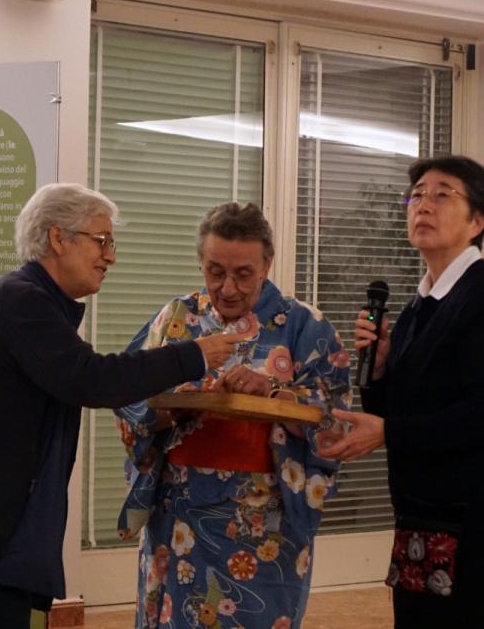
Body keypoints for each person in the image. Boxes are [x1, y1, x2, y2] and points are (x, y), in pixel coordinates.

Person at [0, 183, 242, 629]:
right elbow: (90, 379)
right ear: (57, 238)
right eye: (101, 240)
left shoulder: (37, 302)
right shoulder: (21, 300)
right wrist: (193, 355)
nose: (110, 256)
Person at [318, 156, 484, 628]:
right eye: (417, 195)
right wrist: (383, 368)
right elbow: (401, 409)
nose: (423, 205)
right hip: (428, 510)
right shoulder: (422, 304)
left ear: (477, 221)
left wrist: (389, 432)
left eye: (443, 195)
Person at [114, 202, 352, 629]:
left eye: (243, 274)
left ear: (267, 265)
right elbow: (127, 396)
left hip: (264, 521)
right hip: (179, 511)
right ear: (200, 262)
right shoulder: (176, 318)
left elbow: (337, 420)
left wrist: (275, 392)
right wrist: (181, 402)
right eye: (215, 271)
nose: (227, 288)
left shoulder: (306, 326)